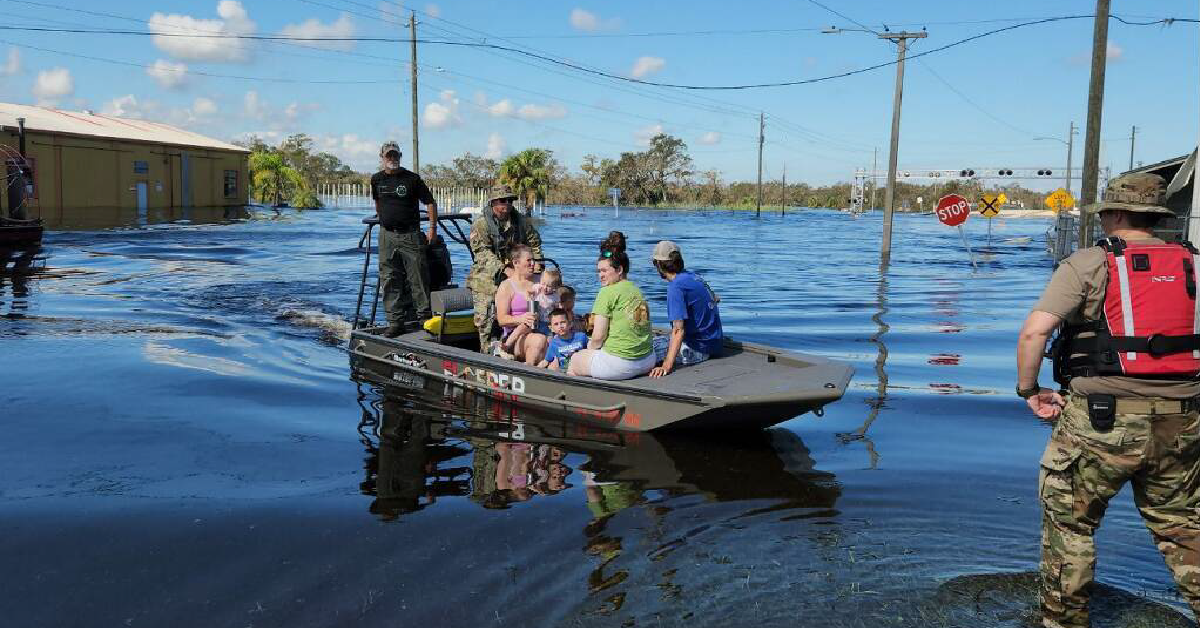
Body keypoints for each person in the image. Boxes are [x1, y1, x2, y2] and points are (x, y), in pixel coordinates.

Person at [1015, 172, 1200, 628]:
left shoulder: (1089, 263)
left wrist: (1030, 390)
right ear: (1156, 216)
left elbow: (1035, 331)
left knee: (1070, 527)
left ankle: (1064, 623)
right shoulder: (1194, 263)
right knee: (1184, 529)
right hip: (1184, 422)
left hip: (1099, 422)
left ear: (1114, 215)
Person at [370, 141, 438, 337]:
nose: (392, 159)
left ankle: (425, 319)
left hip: (411, 235)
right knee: (390, 279)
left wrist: (432, 228)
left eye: (395, 155)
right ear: (382, 157)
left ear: (400, 156)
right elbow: (377, 203)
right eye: (389, 155)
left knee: (418, 277)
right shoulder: (376, 179)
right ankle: (395, 321)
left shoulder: (412, 179)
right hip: (387, 236)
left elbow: (430, 203)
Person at [466, 184, 544, 351]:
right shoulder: (481, 224)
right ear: (493, 202)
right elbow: (481, 253)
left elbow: (534, 243)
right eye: (502, 201)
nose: (507, 204)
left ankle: (519, 347)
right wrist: (504, 269)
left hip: (516, 271)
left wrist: (537, 262)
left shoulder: (520, 221)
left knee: (537, 303)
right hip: (487, 275)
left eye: (510, 201)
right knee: (486, 320)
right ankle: (486, 354)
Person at [568, 243, 655, 380]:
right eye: (598, 271)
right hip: (647, 360)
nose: (600, 275)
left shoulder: (607, 292)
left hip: (621, 364)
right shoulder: (637, 291)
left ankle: (585, 397)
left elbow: (598, 337)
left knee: (574, 360)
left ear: (619, 269)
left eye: (604, 271)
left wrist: (588, 348)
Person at [648, 240, 724, 377]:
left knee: (640, 351)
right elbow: (715, 299)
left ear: (659, 264)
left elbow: (678, 330)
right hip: (714, 344)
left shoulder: (676, 287)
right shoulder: (695, 277)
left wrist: (666, 365)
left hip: (697, 349)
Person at [493, 245, 548, 365]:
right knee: (539, 340)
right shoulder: (506, 286)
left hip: (545, 327)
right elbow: (502, 319)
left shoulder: (542, 280)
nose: (533, 263)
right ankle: (530, 375)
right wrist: (521, 318)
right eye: (529, 260)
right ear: (516, 263)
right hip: (516, 336)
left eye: (533, 260)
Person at [530, 267, 562, 334]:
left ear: (554, 288)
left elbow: (556, 308)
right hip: (536, 319)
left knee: (548, 335)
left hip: (548, 321)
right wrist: (533, 292)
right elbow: (529, 292)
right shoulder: (537, 288)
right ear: (540, 280)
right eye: (543, 283)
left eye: (549, 286)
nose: (545, 287)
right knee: (536, 332)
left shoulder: (555, 296)